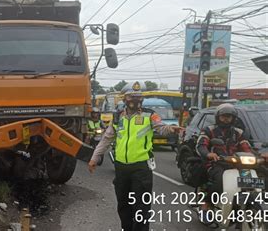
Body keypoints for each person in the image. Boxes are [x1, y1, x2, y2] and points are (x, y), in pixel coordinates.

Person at [88, 81, 182, 231]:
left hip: (141, 168)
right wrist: (94, 158)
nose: (135, 101)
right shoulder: (118, 117)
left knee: (141, 207)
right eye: (131, 97)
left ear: (142, 100)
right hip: (121, 168)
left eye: (138, 97)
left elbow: (161, 128)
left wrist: (171, 129)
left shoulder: (150, 115)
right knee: (123, 205)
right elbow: (106, 139)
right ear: (125, 99)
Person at [195, 103, 260, 216]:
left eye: (229, 116)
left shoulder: (238, 132)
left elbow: (246, 147)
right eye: (223, 116)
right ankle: (207, 204)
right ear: (218, 117)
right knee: (220, 181)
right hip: (215, 163)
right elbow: (201, 145)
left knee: (252, 181)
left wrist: (257, 157)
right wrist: (209, 154)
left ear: (233, 118)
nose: (226, 119)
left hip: (236, 164)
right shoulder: (209, 130)